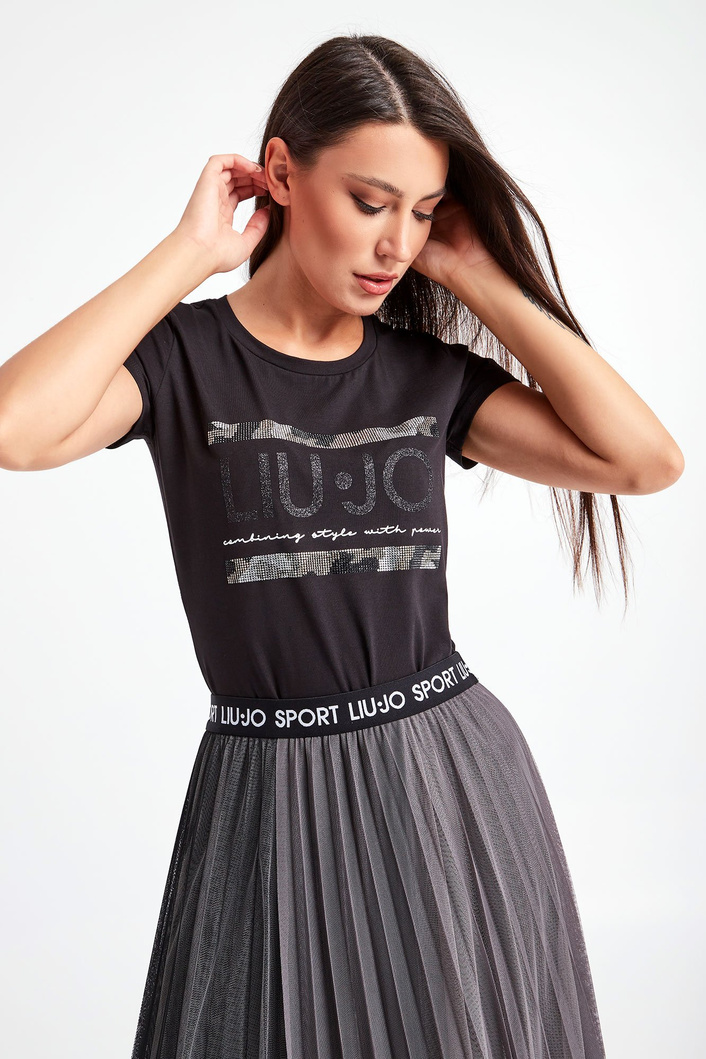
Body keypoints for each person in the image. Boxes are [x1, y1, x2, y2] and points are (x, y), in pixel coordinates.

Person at [0, 32, 684, 1059]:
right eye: (370, 202)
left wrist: (477, 277)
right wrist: (189, 254)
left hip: (444, 781)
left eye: (422, 212)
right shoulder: (184, 361)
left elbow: (644, 461)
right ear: (281, 173)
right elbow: (15, 427)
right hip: (263, 795)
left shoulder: (426, 375)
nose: (395, 244)